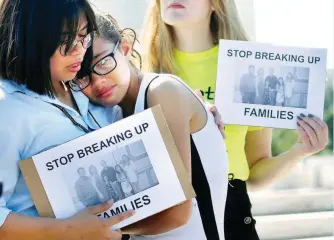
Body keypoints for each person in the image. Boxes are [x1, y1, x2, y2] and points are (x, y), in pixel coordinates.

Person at [141, 0, 329, 239]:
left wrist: (299, 151)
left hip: (232, 208)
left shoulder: (250, 64)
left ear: (216, 4)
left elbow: (255, 174)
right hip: (167, 211)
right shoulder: (139, 67)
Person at [70, 13, 228, 240]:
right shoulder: (110, 116)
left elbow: (178, 213)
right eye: (82, 76)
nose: (98, 81)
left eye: (103, 61)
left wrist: (95, 230)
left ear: (124, 47)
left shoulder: (162, 91)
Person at [0, 1, 134, 239]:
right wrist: (68, 231)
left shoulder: (84, 85)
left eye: (84, 36)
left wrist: (194, 107)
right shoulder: (8, 110)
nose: (79, 50)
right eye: (66, 40)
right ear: (32, 40)